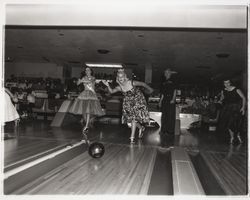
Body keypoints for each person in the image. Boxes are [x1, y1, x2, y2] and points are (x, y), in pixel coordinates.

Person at [103, 68, 154, 144]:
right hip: (128, 103)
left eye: (122, 77)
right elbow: (111, 91)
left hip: (138, 101)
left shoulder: (131, 82)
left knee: (133, 119)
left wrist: (150, 90)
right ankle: (141, 128)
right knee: (130, 121)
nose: (121, 79)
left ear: (125, 77)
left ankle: (132, 138)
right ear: (117, 78)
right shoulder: (120, 87)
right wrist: (107, 85)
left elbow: (143, 84)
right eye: (119, 77)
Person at [69, 66, 105, 131]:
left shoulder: (93, 78)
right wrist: (80, 81)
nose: (87, 71)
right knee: (84, 110)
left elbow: (90, 82)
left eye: (88, 70)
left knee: (88, 111)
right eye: (86, 70)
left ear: (91, 71)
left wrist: (83, 80)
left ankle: (86, 125)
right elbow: (77, 83)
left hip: (91, 95)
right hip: (84, 94)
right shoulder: (83, 77)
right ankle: (86, 123)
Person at [218, 79, 246, 144]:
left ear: (230, 83)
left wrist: (243, 108)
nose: (227, 84)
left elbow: (244, 98)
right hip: (227, 108)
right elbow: (222, 98)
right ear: (223, 84)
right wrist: (220, 100)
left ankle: (238, 136)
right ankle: (232, 137)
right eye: (225, 83)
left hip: (236, 108)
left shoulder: (236, 89)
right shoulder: (223, 91)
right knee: (228, 124)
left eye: (228, 83)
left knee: (236, 124)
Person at [158, 68, 177, 136]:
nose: (165, 74)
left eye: (167, 72)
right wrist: (160, 101)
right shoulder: (163, 82)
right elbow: (162, 93)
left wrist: (173, 99)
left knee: (170, 116)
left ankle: (170, 131)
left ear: (170, 73)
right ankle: (163, 130)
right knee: (164, 116)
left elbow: (175, 90)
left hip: (170, 99)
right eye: (165, 73)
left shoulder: (173, 80)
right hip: (165, 100)